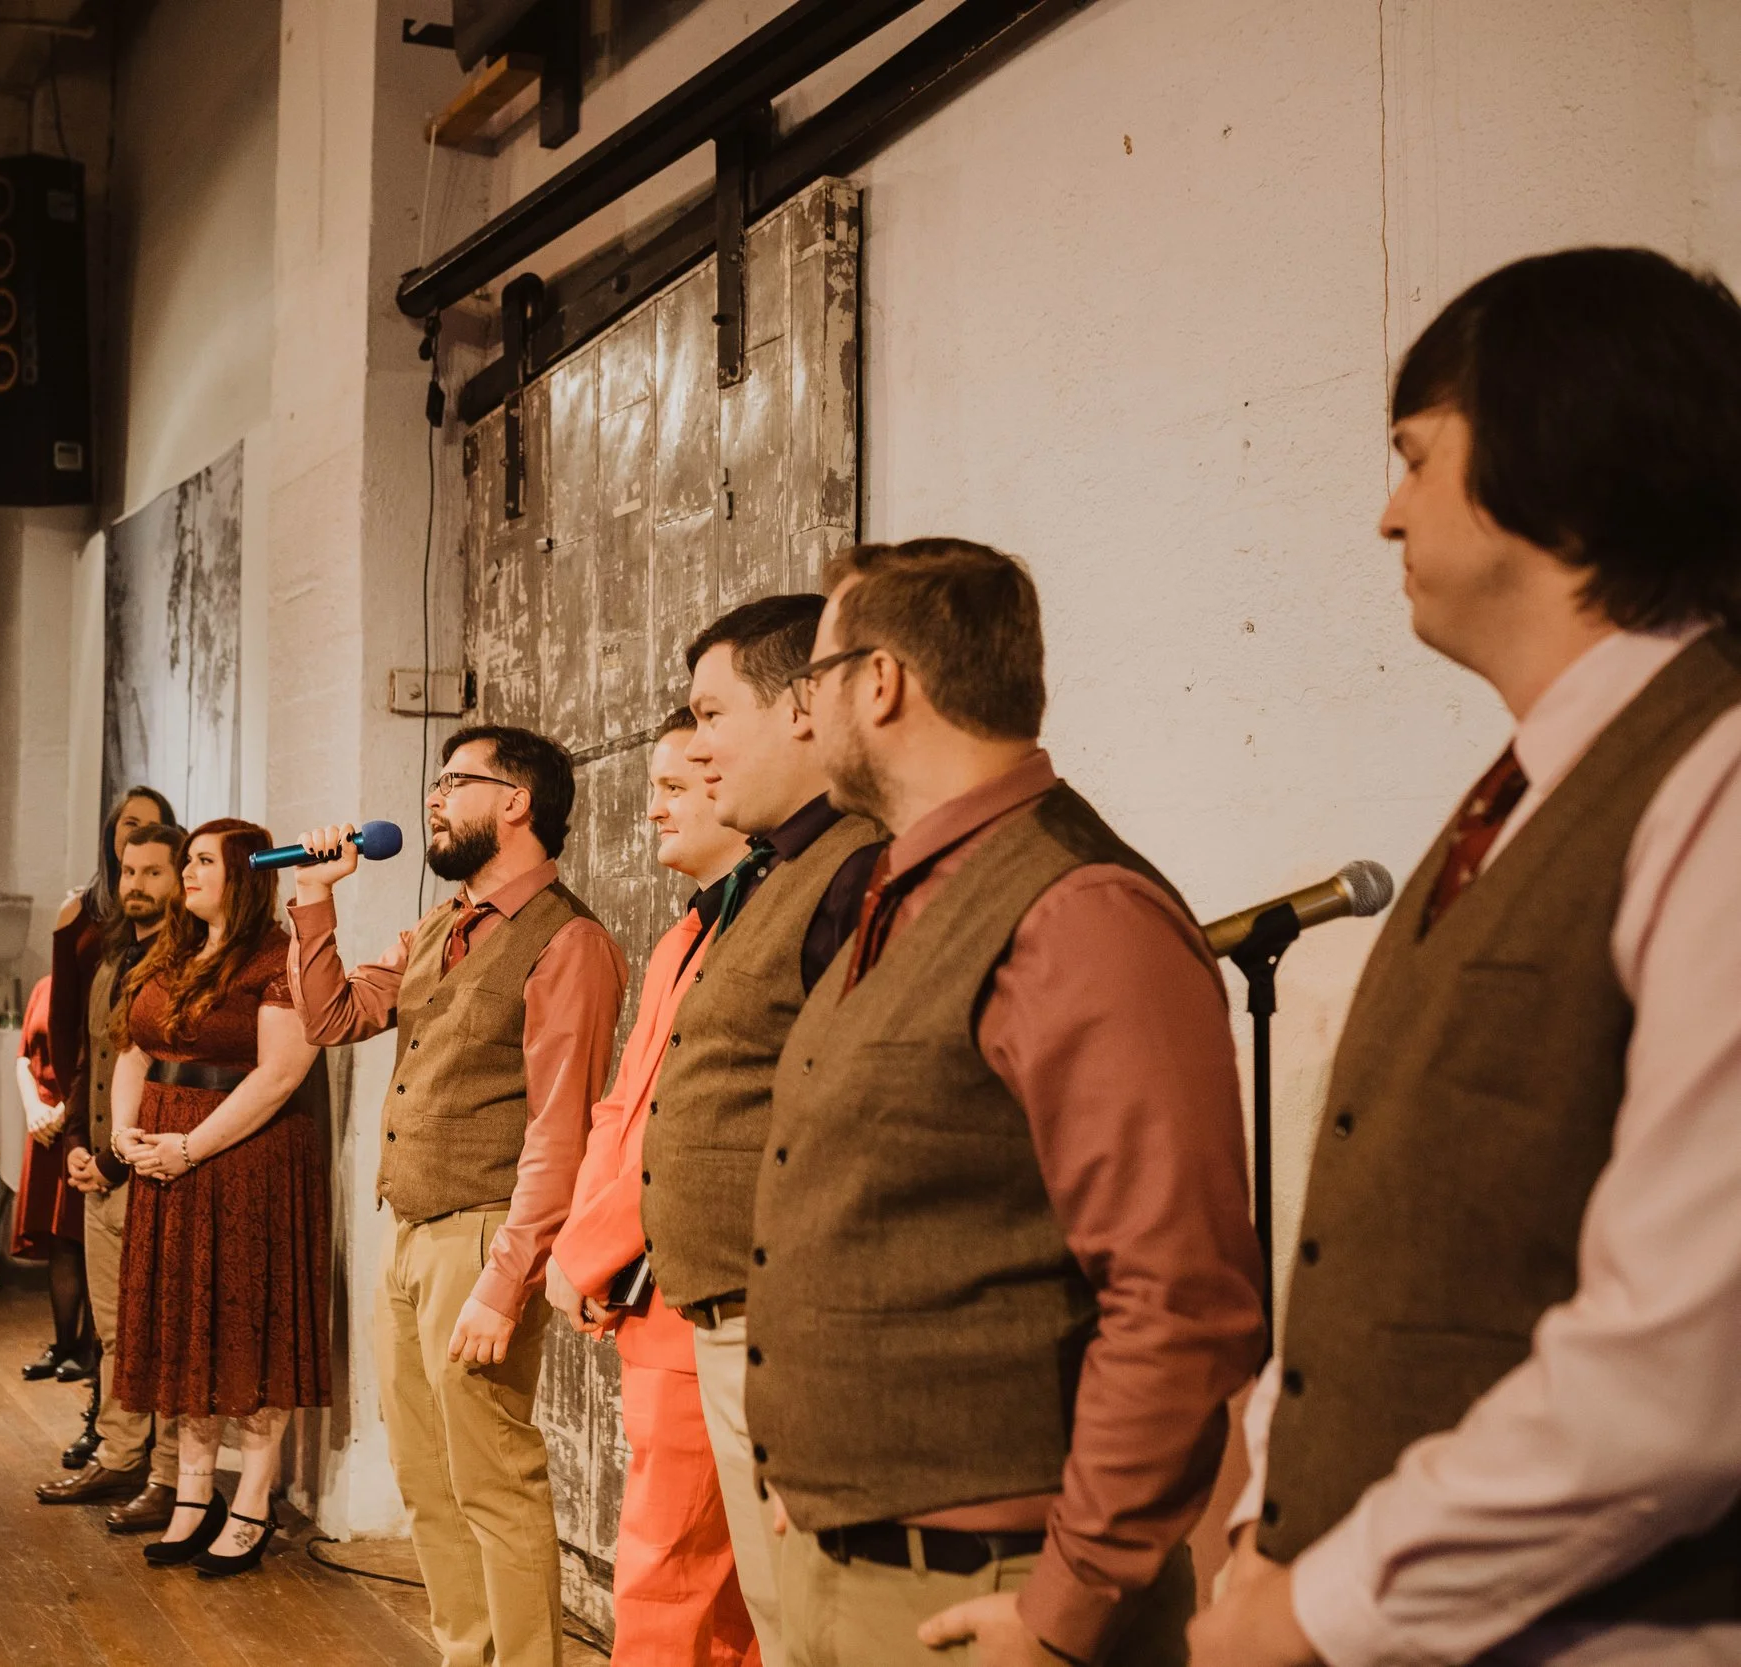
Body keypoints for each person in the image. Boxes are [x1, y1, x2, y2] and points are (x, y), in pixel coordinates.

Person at [1190, 250, 1741, 1667]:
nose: (1386, 513)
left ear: (1555, 449)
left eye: (1415, 457)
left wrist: (1319, 1598)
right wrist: (1267, 1505)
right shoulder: (1527, 792)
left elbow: (1682, 1371)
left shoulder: (1714, 781)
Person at [745, 540, 1266, 1667]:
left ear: (879, 683)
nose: (803, 718)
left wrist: (1066, 1610)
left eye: (814, 683)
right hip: (855, 1556)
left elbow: (1179, 1293)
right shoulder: (909, 885)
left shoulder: (1077, 909)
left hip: (990, 1593)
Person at [291, 726, 629, 1666]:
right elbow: (332, 1016)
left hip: (483, 1238)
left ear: (516, 800)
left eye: (457, 780)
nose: (434, 796)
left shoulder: (570, 941)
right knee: (427, 1480)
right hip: (408, 1232)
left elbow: (563, 1133)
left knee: (494, 1478)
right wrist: (314, 902)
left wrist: (504, 1278)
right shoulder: (444, 922)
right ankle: (464, 1652)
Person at [642, 596, 887, 1665]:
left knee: (809, 1625)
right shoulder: (781, 870)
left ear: (802, 708)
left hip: (790, 1319)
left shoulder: (855, 867)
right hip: (735, 1312)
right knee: (784, 1618)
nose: (695, 748)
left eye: (710, 712)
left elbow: (855, 1112)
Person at [545, 708, 760, 1667]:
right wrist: (584, 1245)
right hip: (648, 1287)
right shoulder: (684, 936)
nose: (653, 811)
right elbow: (620, 1111)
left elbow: (693, 1132)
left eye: (674, 787)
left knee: (669, 1577)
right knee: (687, 1570)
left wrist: (586, 1248)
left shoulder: (754, 932)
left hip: (701, 1292)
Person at [109, 818, 330, 1578]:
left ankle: (254, 1503)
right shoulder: (171, 951)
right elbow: (133, 1045)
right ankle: (193, 1498)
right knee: (187, 1332)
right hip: (166, 1161)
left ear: (242, 873)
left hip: (245, 1163)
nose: (189, 871)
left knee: (246, 1328)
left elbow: (279, 1075)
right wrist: (122, 1131)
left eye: (204, 860)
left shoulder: (276, 954)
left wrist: (189, 1147)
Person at [35, 820, 190, 1526]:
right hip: (98, 1168)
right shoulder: (111, 959)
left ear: (181, 878)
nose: (136, 885)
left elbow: (173, 1077)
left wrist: (106, 1159)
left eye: (153, 872)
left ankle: (167, 1475)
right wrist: (72, 1139)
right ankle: (121, 1454)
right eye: (128, 872)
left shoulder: (188, 962)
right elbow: (86, 1061)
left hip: (152, 1175)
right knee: (114, 1332)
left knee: (159, 1330)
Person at [11, 786, 176, 1389]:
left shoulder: (164, 938)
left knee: (119, 1267)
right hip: (79, 1078)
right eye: (126, 828)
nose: (132, 841)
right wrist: (57, 1096)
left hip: (126, 1104)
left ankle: (103, 1385)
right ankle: (73, 1355)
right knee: (68, 1226)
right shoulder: (84, 914)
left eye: (149, 835)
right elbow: (65, 1016)